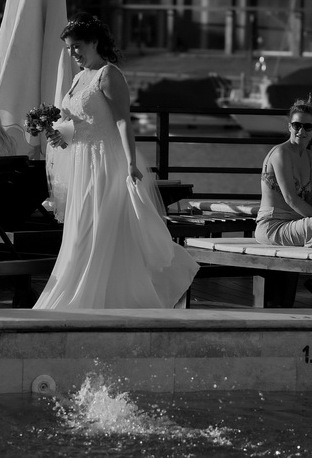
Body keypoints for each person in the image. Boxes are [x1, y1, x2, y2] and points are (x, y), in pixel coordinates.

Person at [33, 16, 198, 310]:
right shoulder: (78, 78)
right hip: (81, 161)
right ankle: (85, 293)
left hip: (105, 161)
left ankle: (97, 297)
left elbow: (122, 120)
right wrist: (59, 135)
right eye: (70, 48)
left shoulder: (109, 75)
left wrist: (131, 162)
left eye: (78, 46)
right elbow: (77, 122)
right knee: (82, 229)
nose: (74, 53)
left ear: (95, 42)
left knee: (102, 229)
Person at [254, 98, 312, 247]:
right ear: (289, 127)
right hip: (273, 226)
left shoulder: (310, 157)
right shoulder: (281, 153)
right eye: (297, 125)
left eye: (307, 126)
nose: (301, 131)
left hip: (296, 224)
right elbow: (290, 198)